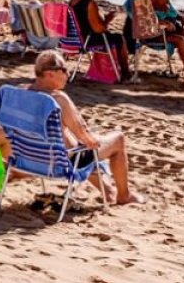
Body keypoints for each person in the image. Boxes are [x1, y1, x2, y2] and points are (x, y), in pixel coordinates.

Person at [30, 51, 138, 205]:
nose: (68, 74)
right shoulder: (58, 99)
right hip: (58, 163)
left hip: (29, 158)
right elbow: (86, 138)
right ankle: (124, 196)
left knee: (81, 145)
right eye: (64, 70)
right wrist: (91, 139)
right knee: (115, 140)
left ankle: (108, 191)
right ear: (49, 74)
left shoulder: (19, 92)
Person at [69, 0, 136, 82]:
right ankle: (125, 73)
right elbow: (99, 29)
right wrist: (108, 19)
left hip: (74, 38)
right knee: (118, 38)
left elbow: (85, 20)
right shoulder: (90, 3)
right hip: (86, 40)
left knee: (113, 36)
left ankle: (117, 69)